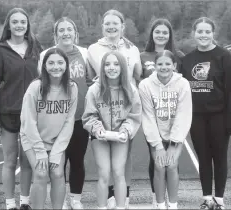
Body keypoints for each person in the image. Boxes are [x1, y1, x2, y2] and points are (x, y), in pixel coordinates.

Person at [180, 17, 231, 210]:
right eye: (200, 31)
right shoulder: (187, 60)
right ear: (194, 33)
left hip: (219, 117)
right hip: (197, 117)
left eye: (207, 31)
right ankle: (207, 199)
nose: (203, 35)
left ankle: (220, 200)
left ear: (213, 33)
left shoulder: (224, 57)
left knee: (220, 157)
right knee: (203, 158)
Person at [87, 9, 142, 209]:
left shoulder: (132, 49)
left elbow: (138, 74)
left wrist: (126, 128)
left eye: (115, 23)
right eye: (107, 23)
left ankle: (122, 202)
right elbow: (90, 111)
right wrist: (96, 128)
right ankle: (105, 203)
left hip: (122, 120)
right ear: (102, 26)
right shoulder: (93, 49)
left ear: (122, 26)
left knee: (120, 168)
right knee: (104, 171)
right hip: (100, 125)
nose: (111, 27)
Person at [0, 7, 42, 210]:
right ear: (8, 26)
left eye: (23, 22)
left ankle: (25, 201)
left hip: (33, 114)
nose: (19, 26)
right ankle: (10, 203)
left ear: (27, 25)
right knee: (10, 160)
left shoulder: (36, 47)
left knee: (28, 161)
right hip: (8, 114)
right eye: (15, 22)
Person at [37, 17, 89, 209]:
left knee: (77, 160)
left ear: (75, 33)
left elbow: (90, 79)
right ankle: (60, 199)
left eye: (69, 29)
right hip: (55, 119)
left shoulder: (84, 53)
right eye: (61, 30)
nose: (66, 33)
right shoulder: (46, 55)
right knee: (58, 162)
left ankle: (75, 199)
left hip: (79, 118)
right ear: (55, 34)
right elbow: (40, 83)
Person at [20, 47, 78, 209]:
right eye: (51, 63)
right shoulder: (36, 87)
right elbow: (28, 122)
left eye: (60, 62)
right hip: (33, 139)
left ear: (66, 65)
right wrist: (39, 151)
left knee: (58, 173)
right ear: (44, 66)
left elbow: (68, 122)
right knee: (40, 174)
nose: (56, 66)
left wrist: (57, 152)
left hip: (55, 141)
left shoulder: (72, 88)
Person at [139, 50, 192, 209]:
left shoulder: (183, 84)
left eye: (168, 64)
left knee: (172, 164)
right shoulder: (145, 85)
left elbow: (184, 114)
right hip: (156, 132)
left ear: (174, 66)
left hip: (175, 133)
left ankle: (173, 204)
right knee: (159, 166)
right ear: (154, 66)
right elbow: (148, 116)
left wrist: (175, 143)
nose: (164, 67)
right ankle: (161, 205)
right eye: (160, 64)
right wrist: (158, 145)